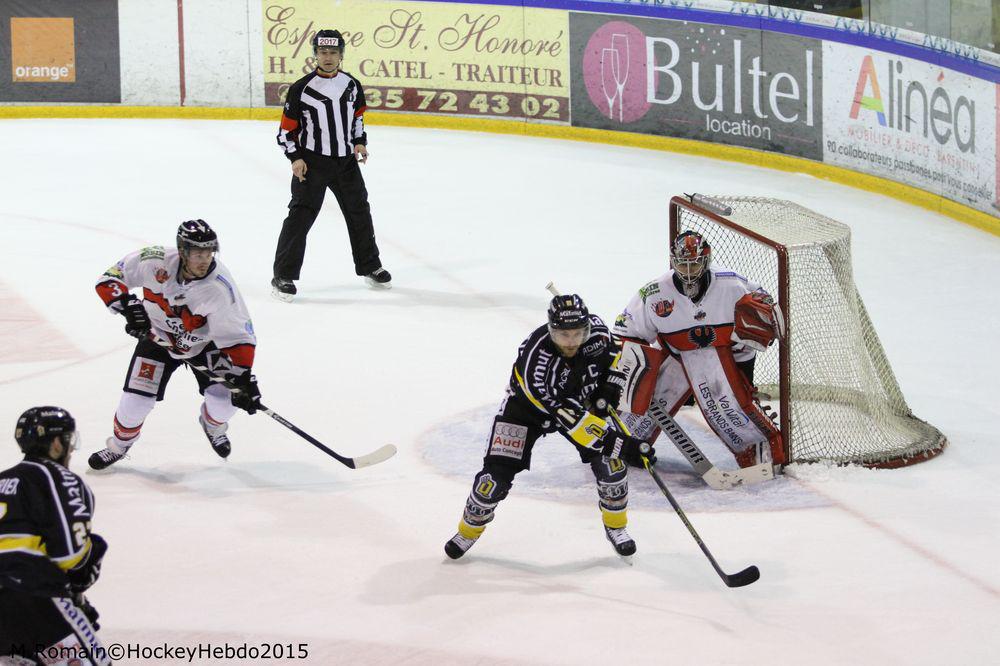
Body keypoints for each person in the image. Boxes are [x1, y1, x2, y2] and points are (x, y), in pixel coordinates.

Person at [443, 294, 655, 561]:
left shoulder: (598, 334)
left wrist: (610, 384)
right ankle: (467, 531)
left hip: (577, 402)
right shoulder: (538, 365)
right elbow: (576, 424)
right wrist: (623, 445)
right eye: (564, 335)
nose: (572, 341)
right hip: (526, 411)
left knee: (612, 467)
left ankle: (617, 527)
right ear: (551, 330)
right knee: (493, 481)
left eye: (578, 333)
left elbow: (615, 354)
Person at [88, 220, 262, 470]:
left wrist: (242, 377)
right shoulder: (154, 261)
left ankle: (213, 425)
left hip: (204, 344)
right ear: (182, 251)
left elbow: (238, 338)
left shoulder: (220, 289)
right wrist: (128, 305)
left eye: (209, 253)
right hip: (157, 338)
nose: (204, 260)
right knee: (134, 405)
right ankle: (118, 445)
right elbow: (110, 279)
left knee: (224, 403)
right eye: (198, 254)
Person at [612, 231, 785, 469]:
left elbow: (763, 302)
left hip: (726, 354)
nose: (688, 271)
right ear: (673, 262)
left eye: (694, 265)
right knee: (640, 407)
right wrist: (636, 378)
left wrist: (764, 320)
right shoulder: (654, 293)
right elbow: (627, 332)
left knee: (731, 408)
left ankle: (759, 452)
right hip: (676, 354)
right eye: (682, 264)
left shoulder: (731, 283)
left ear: (706, 261)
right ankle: (625, 445)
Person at [271, 28, 391, 302]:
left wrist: (359, 142)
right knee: (300, 217)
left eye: (333, 52)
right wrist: (295, 158)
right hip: (312, 164)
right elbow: (285, 132)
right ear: (315, 54)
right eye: (323, 52)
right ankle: (283, 276)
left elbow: (357, 118)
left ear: (341, 55)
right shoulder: (301, 88)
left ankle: (370, 266)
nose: (328, 57)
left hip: (346, 163)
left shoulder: (351, 85)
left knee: (359, 212)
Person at [1, 407, 110, 664]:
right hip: (33, 598)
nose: (71, 448)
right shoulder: (59, 478)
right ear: (57, 443)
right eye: (68, 439)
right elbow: (70, 555)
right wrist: (91, 557)